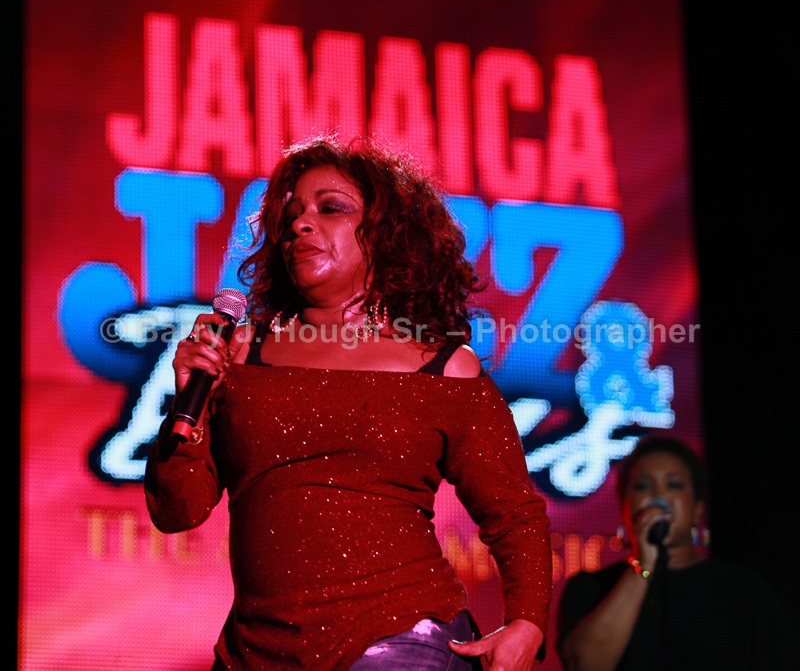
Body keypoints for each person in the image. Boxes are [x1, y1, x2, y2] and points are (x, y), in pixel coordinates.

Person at [145, 136, 552, 671]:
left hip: (402, 638)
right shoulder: (239, 353)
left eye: (330, 208)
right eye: (291, 213)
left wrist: (528, 621)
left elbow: (514, 513)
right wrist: (189, 402)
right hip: (255, 652)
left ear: (386, 233)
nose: (300, 223)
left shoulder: (443, 368)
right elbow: (176, 511)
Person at [557, 435, 797, 670]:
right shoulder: (592, 587)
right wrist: (643, 566)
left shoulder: (742, 590)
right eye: (642, 486)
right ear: (624, 505)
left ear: (697, 508)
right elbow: (586, 663)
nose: (658, 496)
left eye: (674, 485)